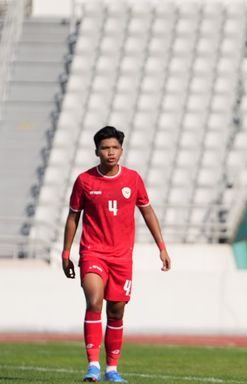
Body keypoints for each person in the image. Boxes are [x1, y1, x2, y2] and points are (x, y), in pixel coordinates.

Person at [61, 126, 172, 382]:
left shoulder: (132, 179)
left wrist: (162, 247)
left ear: (121, 150)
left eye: (114, 148)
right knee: (94, 301)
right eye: (104, 148)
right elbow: (72, 217)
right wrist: (66, 252)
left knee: (116, 311)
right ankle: (92, 365)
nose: (110, 152)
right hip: (93, 252)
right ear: (97, 151)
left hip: (122, 258)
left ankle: (112, 368)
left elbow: (147, 212)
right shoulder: (85, 181)